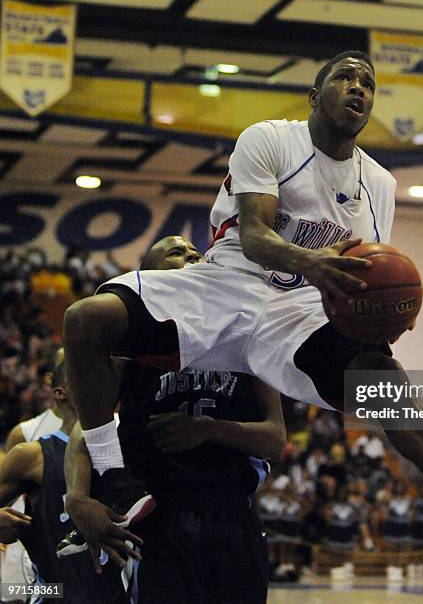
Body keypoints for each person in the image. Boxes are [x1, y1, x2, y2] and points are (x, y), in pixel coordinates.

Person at [63, 51, 423, 569]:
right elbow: (253, 235)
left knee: (380, 375)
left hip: (296, 313)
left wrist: (384, 316)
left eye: (368, 83)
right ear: (316, 96)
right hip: (225, 285)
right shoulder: (269, 138)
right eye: (344, 77)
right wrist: (312, 263)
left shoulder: (378, 184)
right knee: (85, 321)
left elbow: (365, 277)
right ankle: (114, 479)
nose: (358, 88)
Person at [62, 236, 285, 603]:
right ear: (146, 278)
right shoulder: (128, 348)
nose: (191, 257)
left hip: (231, 516)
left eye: (196, 253)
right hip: (161, 521)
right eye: (176, 252)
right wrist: (76, 498)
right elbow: (84, 430)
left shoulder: (246, 335)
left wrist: (210, 430)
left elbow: (275, 439)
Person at [0, 354, 125, 603]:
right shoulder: (32, 455)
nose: (98, 381)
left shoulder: (130, 445)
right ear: (60, 393)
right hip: (56, 594)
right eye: (84, 375)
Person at [1, 362, 63, 603]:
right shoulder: (26, 434)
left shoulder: (120, 430)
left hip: (108, 578)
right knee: (18, 594)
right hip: (45, 576)